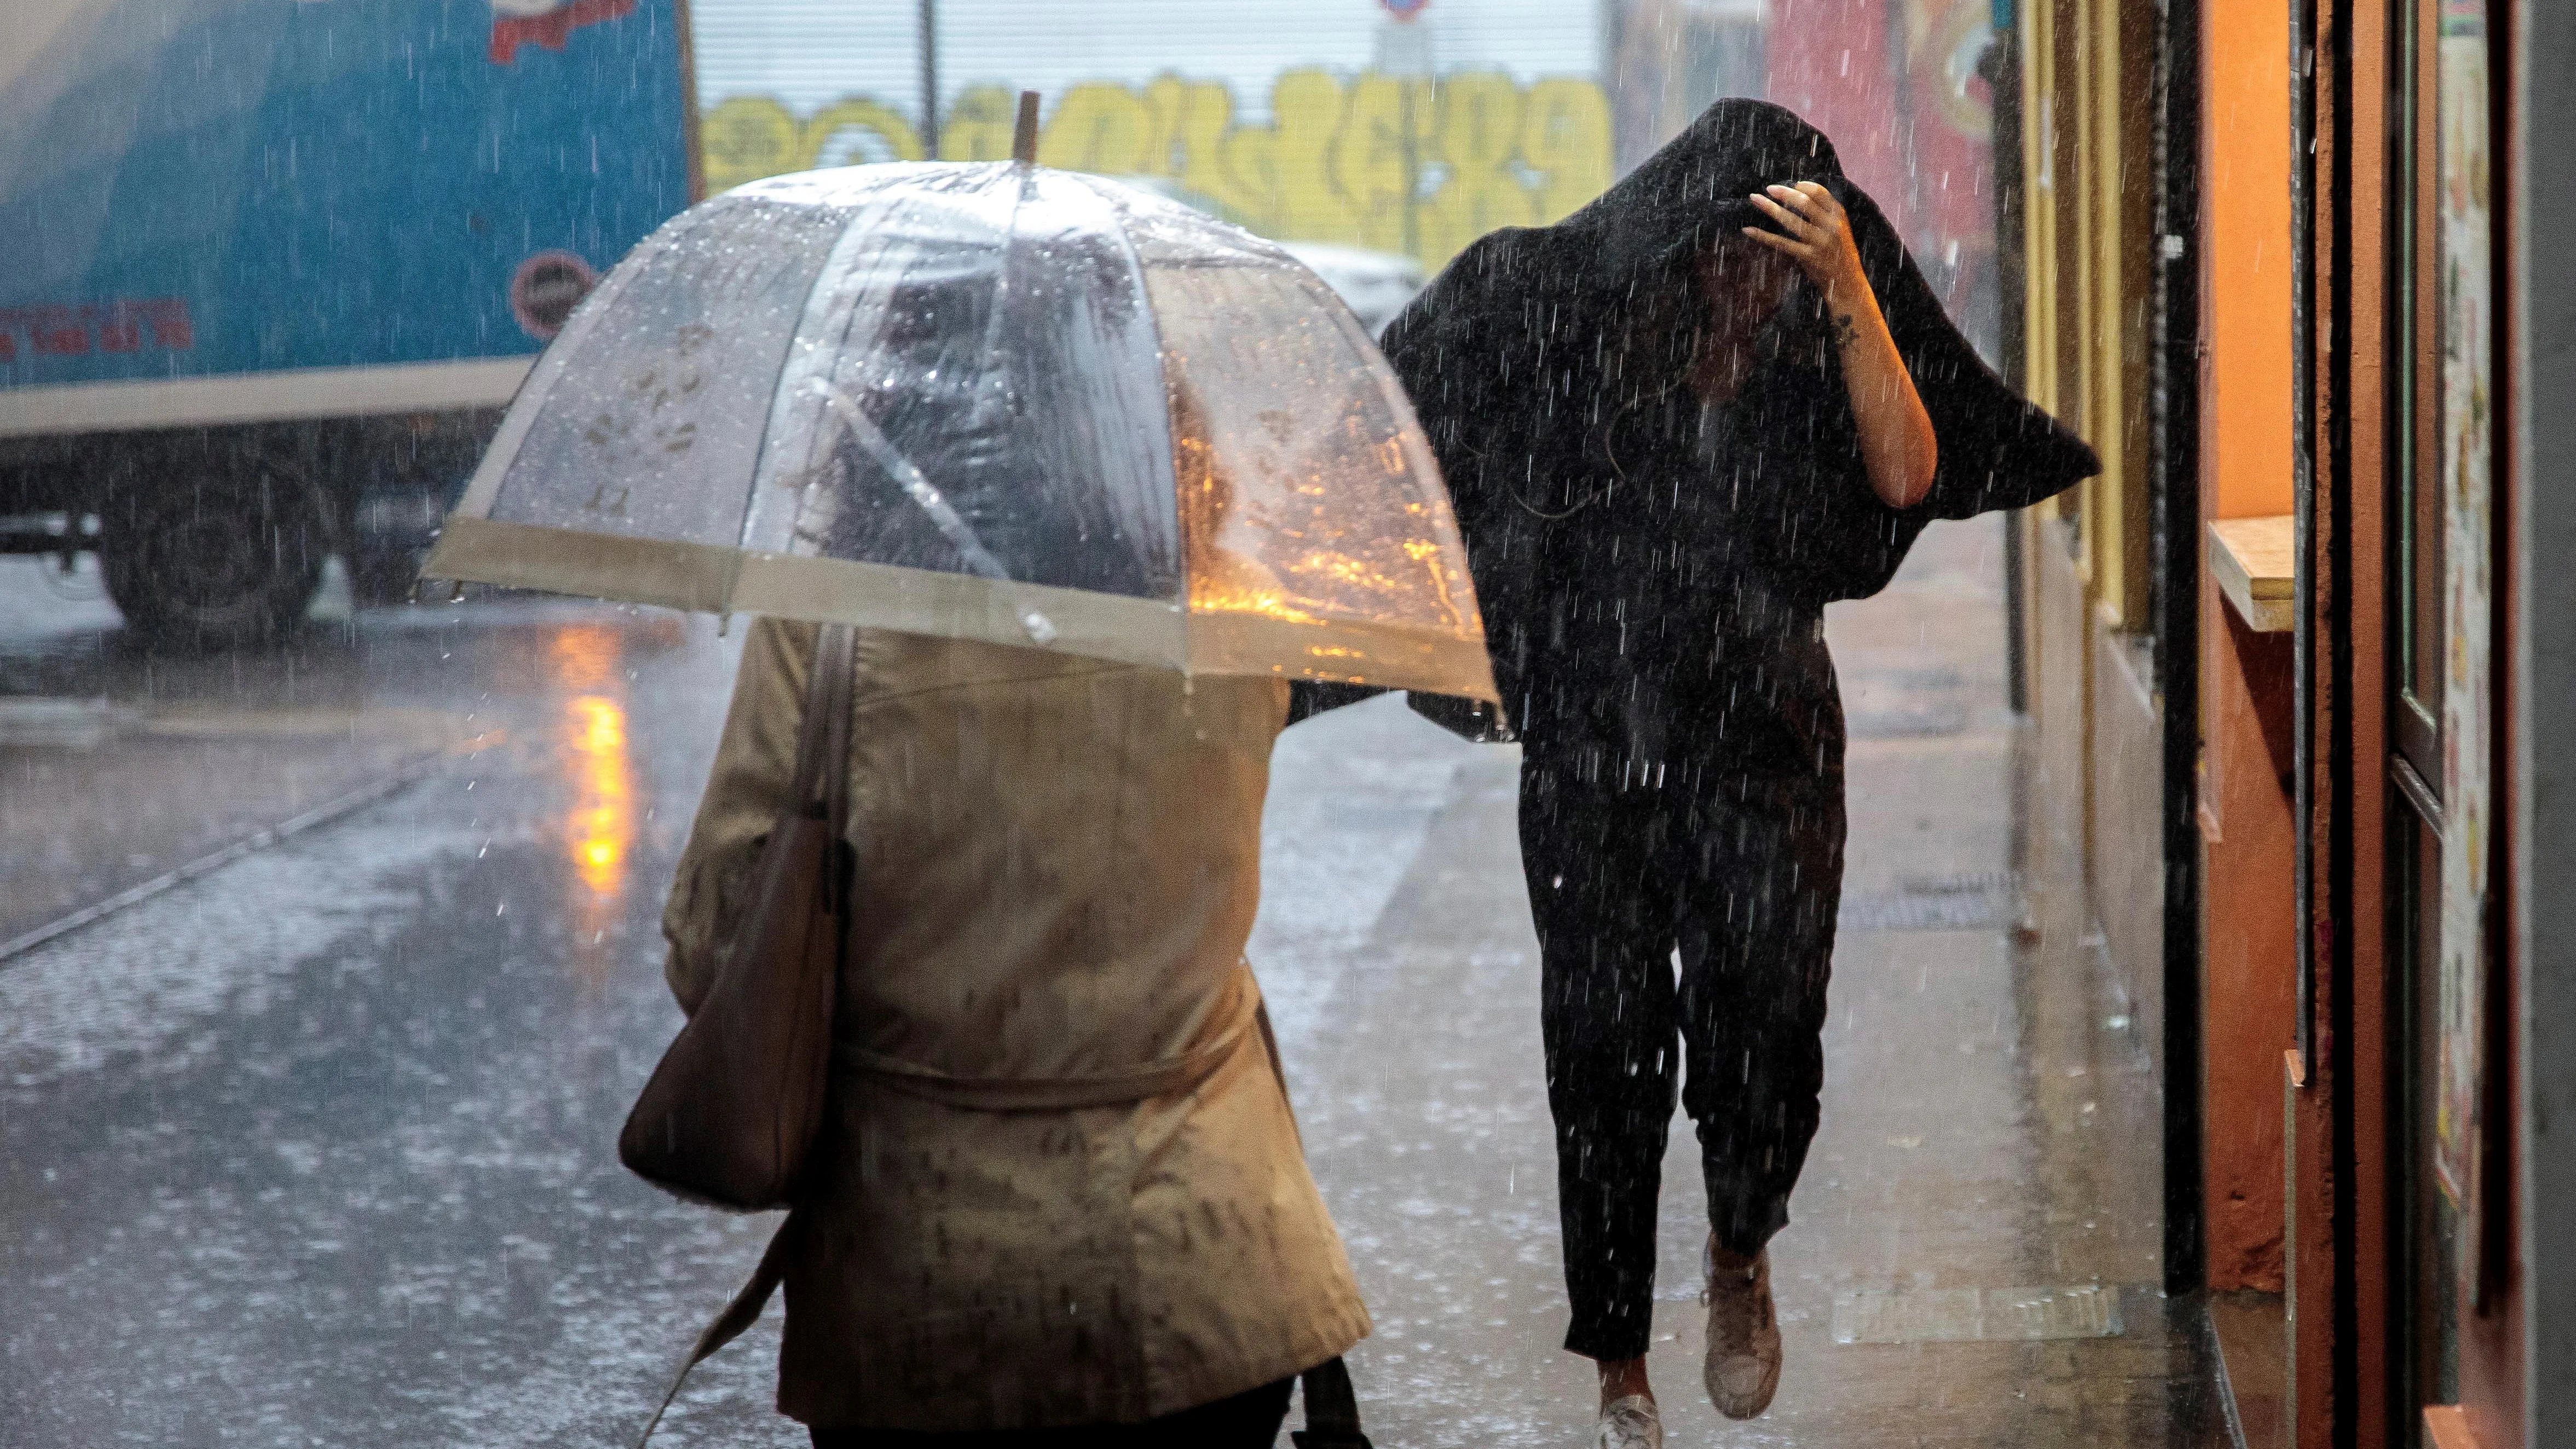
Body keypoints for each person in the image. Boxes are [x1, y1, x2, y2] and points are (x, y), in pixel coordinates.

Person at [1379, 99, 2097, 1447]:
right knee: (1600, 1055)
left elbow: (1910, 473)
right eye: (1734, 250)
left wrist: (1846, 289)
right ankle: (1618, 1364)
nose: (1745, 279)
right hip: (1591, 753)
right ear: (1675, 244)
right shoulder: (1579, 333)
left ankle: (1738, 1244)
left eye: (1779, 253)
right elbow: (1419, 432)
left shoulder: (1810, 344)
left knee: (1765, 1026)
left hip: (1761, 748)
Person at [660, 615, 1370, 1446]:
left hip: (919, 1274)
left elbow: (720, 950)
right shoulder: (1228, 605)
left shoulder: (832, 620)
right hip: (1205, 1260)